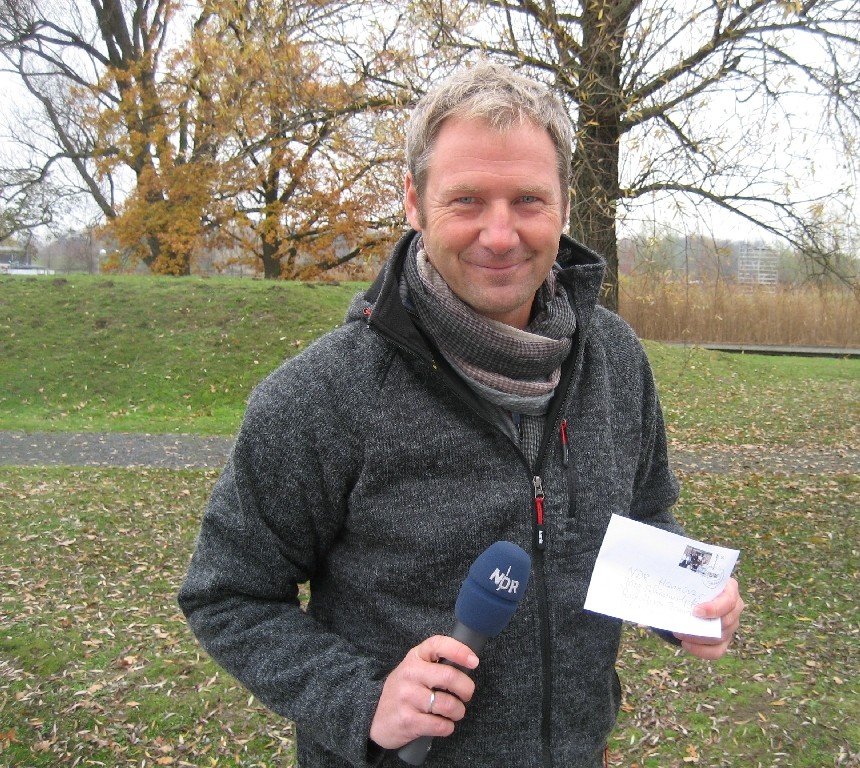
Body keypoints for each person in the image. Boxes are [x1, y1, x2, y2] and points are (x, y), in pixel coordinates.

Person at [178, 60, 744, 768]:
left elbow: (645, 515)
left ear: (565, 205)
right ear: (415, 202)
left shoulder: (616, 358)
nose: (501, 235)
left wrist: (689, 598)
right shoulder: (322, 396)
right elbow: (226, 593)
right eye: (467, 200)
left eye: (529, 201)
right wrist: (362, 700)